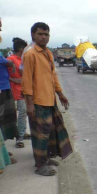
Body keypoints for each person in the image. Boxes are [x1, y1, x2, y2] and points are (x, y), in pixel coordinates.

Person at [22, 22, 73, 176]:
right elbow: (26, 82)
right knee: (40, 135)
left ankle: (46, 157)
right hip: (38, 102)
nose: (43, 37)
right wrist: (29, 104)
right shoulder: (30, 54)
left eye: (46, 34)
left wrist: (60, 94)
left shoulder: (48, 53)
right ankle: (40, 165)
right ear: (33, 35)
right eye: (40, 34)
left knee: (50, 132)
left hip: (50, 100)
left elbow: (52, 76)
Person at [0, 17, 17, 174]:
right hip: (1, 89)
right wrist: (8, 63)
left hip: (4, 87)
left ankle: (3, 154)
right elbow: (5, 62)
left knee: (4, 122)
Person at [7, 38, 28, 148]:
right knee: (21, 113)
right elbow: (5, 75)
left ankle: (22, 133)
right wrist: (13, 80)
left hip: (24, 91)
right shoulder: (11, 60)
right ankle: (19, 138)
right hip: (15, 92)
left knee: (24, 113)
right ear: (21, 49)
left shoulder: (21, 59)